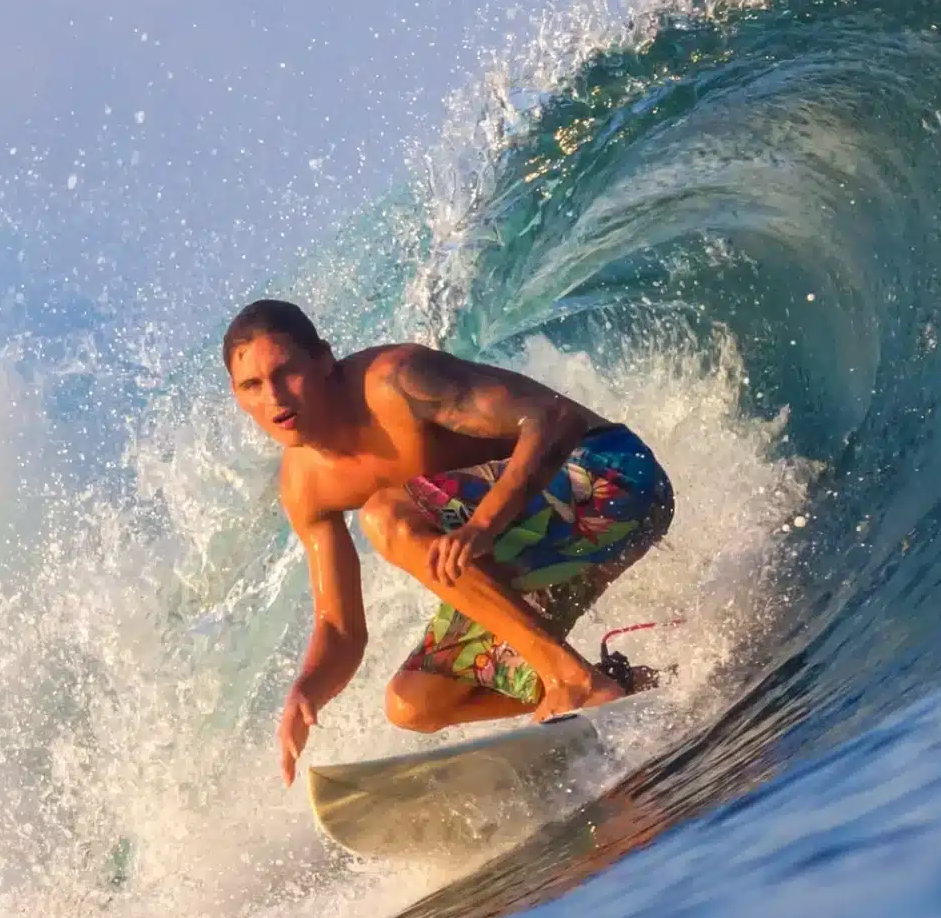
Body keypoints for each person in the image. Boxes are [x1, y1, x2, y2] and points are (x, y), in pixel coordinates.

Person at [223, 298, 674, 785]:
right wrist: (306, 690)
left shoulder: (394, 381)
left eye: (286, 373)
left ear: (324, 359)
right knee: (413, 702)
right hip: (540, 547)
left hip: (617, 480)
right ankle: (625, 686)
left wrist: (483, 524)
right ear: (238, 396)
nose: (274, 397)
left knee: (385, 515)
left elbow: (553, 418)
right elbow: (340, 629)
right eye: (252, 385)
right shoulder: (303, 488)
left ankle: (573, 681)